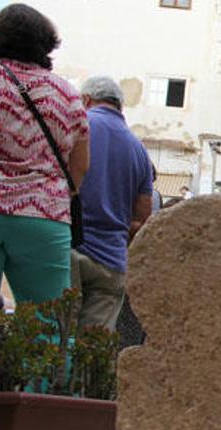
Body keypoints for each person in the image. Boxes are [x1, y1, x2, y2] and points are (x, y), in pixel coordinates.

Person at [0, 4, 90, 310]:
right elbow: (80, 165)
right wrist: (52, 194)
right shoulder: (67, 93)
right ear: (47, 44)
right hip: (45, 218)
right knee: (50, 322)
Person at [70, 77, 152, 331]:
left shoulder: (79, 127)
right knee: (94, 347)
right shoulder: (139, 148)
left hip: (69, 248)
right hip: (111, 260)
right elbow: (141, 218)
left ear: (85, 100)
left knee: (57, 339)